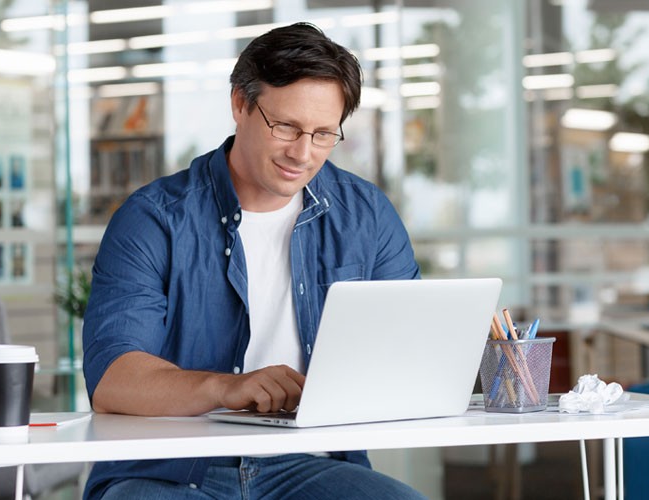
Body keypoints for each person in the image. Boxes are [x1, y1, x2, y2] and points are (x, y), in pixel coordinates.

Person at [82, 22, 424, 500]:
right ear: (240, 104)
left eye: (323, 134)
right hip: (169, 468)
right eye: (286, 127)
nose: (303, 153)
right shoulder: (154, 219)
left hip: (309, 462)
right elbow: (112, 380)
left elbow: (410, 350)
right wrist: (227, 388)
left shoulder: (365, 215)